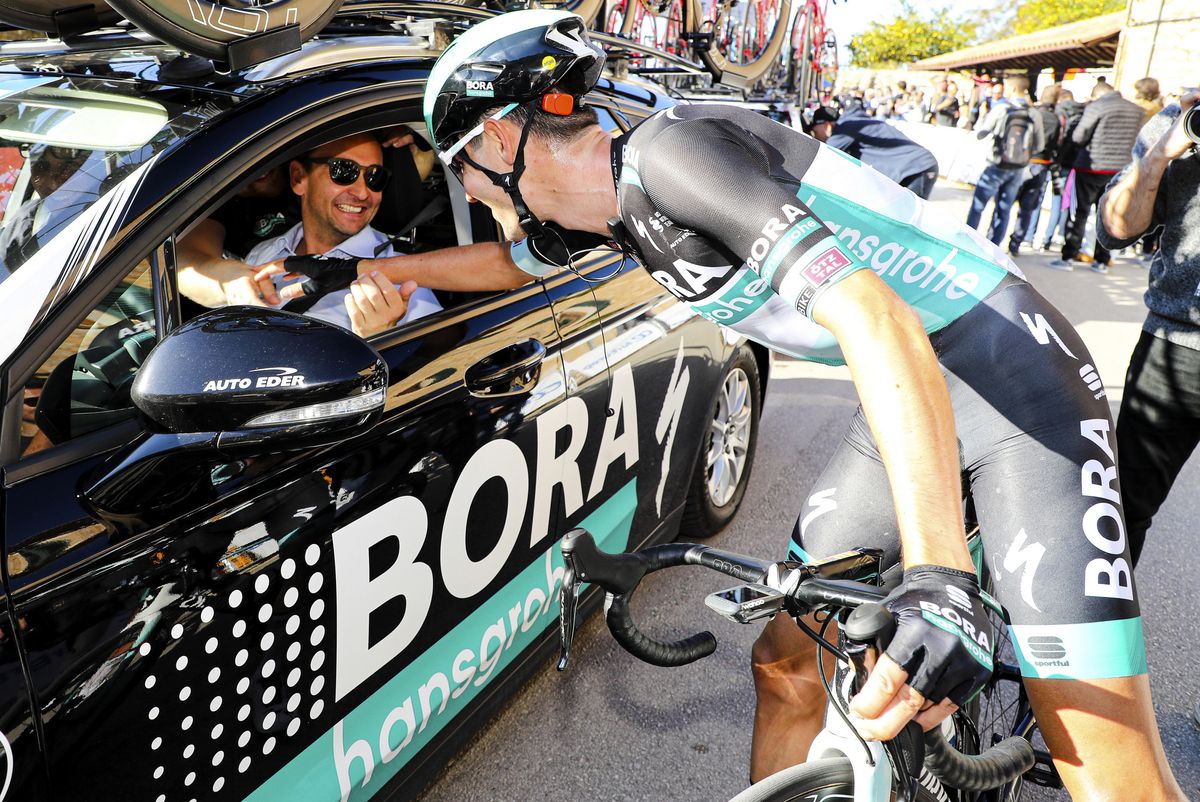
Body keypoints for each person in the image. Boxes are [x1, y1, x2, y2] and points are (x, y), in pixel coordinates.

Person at [402, 11, 1187, 799]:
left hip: (1017, 386)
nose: (464, 191)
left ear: (497, 143)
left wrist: (939, 576)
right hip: (911, 394)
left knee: (1112, 774)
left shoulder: (673, 155)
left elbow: (878, 316)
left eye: (458, 169)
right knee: (785, 663)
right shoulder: (608, 211)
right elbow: (507, 264)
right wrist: (374, 278)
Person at [1099, 91, 1200, 567]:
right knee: (1123, 511)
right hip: (1178, 348)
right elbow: (1116, 229)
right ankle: (1104, 637)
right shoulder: (1184, 118)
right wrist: (1163, 152)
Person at [1048, 81, 1144, 273]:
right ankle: (1102, 260)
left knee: (1079, 213)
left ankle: (1068, 256)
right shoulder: (1136, 110)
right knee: (1109, 214)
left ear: (1097, 94)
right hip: (1120, 170)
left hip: (1090, 168)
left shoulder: (1097, 106)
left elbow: (1079, 136)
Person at [965, 74, 1044, 248]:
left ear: (1014, 88)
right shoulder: (1034, 113)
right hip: (1018, 169)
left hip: (996, 164)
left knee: (979, 205)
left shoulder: (1002, 109)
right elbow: (1040, 145)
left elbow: (981, 133)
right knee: (1004, 209)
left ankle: (967, 241)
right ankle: (993, 247)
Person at [809, 101, 939, 199]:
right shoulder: (855, 123)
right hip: (916, 167)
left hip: (916, 168)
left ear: (826, 126)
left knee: (906, 223)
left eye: (815, 131)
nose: (816, 136)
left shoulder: (845, 129)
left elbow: (823, 156)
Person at [1007, 84, 1061, 255]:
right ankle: (1017, 242)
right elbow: (1057, 143)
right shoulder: (1056, 119)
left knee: (1007, 202)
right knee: (1027, 207)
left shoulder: (1032, 113)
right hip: (1041, 165)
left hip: (1023, 162)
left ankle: (996, 240)